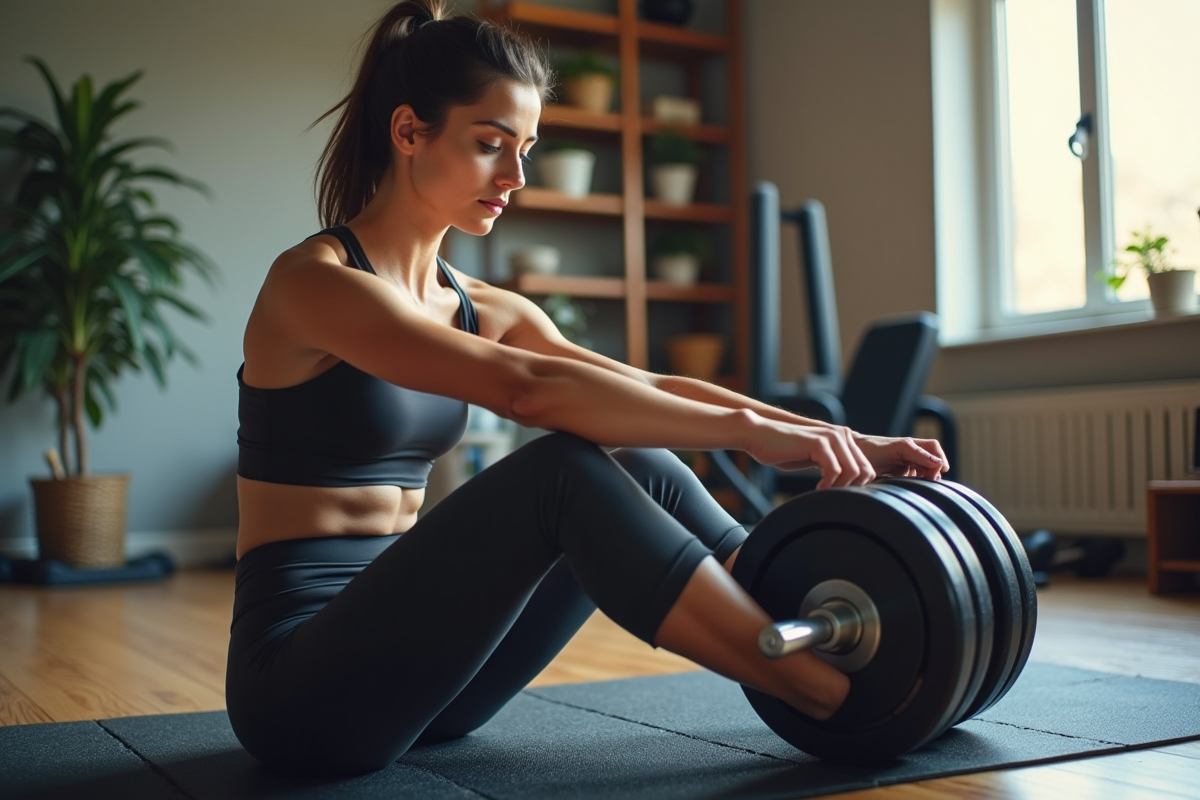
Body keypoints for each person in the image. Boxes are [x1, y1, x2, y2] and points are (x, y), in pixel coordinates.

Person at [226, 0, 949, 777]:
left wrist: (844, 443)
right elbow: (531, 390)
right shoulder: (313, 283)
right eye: (489, 145)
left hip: (427, 686)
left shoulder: (484, 305)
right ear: (409, 132)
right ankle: (832, 700)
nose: (515, 177)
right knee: (560, 474)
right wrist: (751, 435)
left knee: (641, 465)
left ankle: (805, 610)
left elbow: (644, 383)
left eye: (526, 149)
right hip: (301, 693)